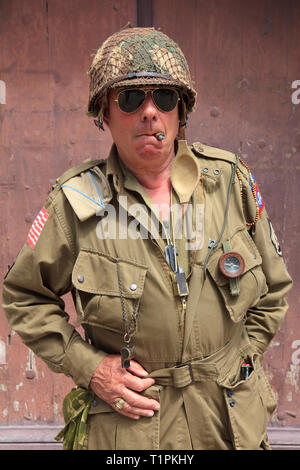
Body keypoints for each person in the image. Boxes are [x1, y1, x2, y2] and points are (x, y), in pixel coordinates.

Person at [2, 26, 292, 450]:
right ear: (104, 112)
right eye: (132, 98)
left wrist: (240, 361)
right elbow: (24, 298)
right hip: (132, 429)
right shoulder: (76, 204)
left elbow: (274, 287)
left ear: (182, 111)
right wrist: (91, 369)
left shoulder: (231, 183)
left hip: (228, 423)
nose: (150, 112)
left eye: (165, 97)